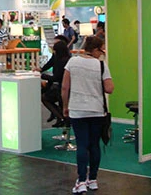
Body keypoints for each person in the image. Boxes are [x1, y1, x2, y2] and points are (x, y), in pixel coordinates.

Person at [61, 36, 114, 194]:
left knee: (82, 145)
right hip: (97, 110)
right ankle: (93, 179)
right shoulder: (101, 65)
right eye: (101, 50)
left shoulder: (72, 62)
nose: (102, 53)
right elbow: (110, 88)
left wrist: (65, 106)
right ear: (95, 49)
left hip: (77, 109)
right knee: (94, 145)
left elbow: (64, 87)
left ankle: (81, 180)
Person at [40, 36, 71, 127]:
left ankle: (60, 117)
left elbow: (56, 77)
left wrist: (42, 75)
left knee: (45, 98)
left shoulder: (61, 61)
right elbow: (50, 63)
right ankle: (60, 117)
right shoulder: (66, 59)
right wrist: (41, 70)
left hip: (60, 87)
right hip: (61, 86)